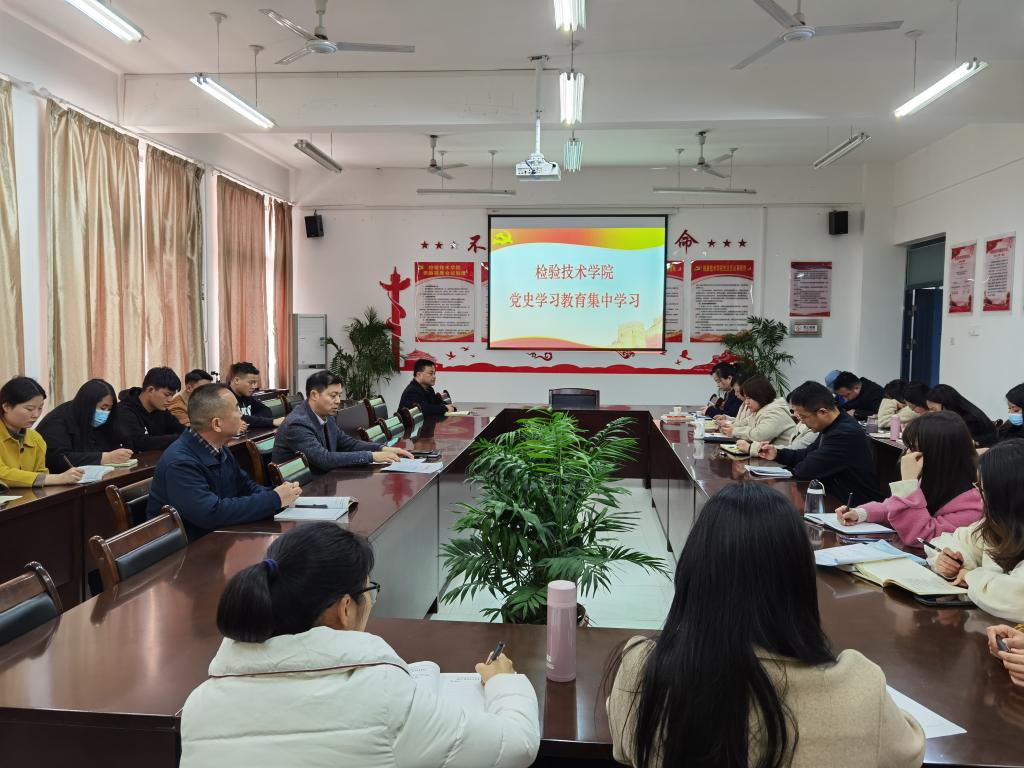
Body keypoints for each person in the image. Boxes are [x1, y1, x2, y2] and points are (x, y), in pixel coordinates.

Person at [606, 483, 924, 768]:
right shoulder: (860, 689)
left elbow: (623, 742)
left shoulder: (642, 671)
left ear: (694, 572)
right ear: (800, 581)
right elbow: (908, 751)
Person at [180, 523, 540, 768]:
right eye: (369, 590)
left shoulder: (199, 705)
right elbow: (517, 744)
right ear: (345, 609)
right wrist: (502, 683)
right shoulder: (383, 696)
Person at [146, 383, 301, 540]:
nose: (241, 415)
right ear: (217, 424)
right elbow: (211, 513)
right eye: (236, 409)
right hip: (190, 546)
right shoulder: (180, 463)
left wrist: (280, 494)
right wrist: (273, 499)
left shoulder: (219, 447)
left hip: (219, 536)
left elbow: (245, 486)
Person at [835, 411, 983, 546]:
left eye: (914, 449)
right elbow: (893, 507)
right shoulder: (935, 478)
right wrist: (861, 513)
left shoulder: (974, 503)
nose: (907, 456)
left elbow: (923, 538)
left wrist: (907, 485)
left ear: (938, 454)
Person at [928, 438, 1024, 622]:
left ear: (1005, 494)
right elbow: (950, 541)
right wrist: (953, 561)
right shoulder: (997, 525)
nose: (980, 499)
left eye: (983, 489)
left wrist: (971, 576)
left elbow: (1017, 598)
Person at [759, 381, 883, 506]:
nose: (802, 422)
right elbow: (807, 454)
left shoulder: (845, 433)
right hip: (837, 498)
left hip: (856, 506)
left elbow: (807, 469)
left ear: (822, 412)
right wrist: (778, 454)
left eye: (803, 417)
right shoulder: (833, 425)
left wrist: (791, 468)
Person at [273, 371, 413, 470]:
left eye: (339, 395)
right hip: (301, 491)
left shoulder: (327, 415)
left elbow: (348, 443)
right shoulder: (298, 423)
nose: (338, 401)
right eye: (333, 395)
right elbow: (324, 459)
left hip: (324, 481)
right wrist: (372, 456)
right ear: (314, 395)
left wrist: (382, 448)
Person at [0, 376, 83, 488]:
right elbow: (2, 473)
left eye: (40, 408)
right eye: (29, 409)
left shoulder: (35, 439)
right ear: (6, 406)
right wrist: (57, 478)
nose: (36, 415)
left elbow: (42, 473)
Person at [36, 379, 134, 473]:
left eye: (109, 409)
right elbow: (59, 459)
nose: (106, 413)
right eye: (103, 408)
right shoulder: (57, 422)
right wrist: (106, 458)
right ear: (88, 404)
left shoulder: (94, 419)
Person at [720, 375, 798, 451]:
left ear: (760, 395)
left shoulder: (776, 411)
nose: (746, 402)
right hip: (765, 454)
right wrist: (730, 426)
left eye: (749, 398)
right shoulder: (762, 408)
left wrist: (734, 431)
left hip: (780, 457)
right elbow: (747, 421)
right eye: (746, 398)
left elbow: (760, 435)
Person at [117, 367, 186, 451]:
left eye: (172, 395)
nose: (170, 400)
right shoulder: (124, 411)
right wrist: (178, 438)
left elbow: (182, 430)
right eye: (167, 395)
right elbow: (138, 443)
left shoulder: (162, 410)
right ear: (150, 390)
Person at [925, 384, 998, 448]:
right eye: (929, 409)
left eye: (934, 409)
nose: (931, 413)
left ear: (946, 405)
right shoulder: (953, 418)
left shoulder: (971, 420)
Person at [227, 362, 285, 430]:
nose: (254, 387)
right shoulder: (225, 397)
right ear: (237, 380)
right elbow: (236, 419)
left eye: (255, 383)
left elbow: (267, 411)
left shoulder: (246, 396)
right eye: (251, 382)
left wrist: (250, 420)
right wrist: (272, 422)